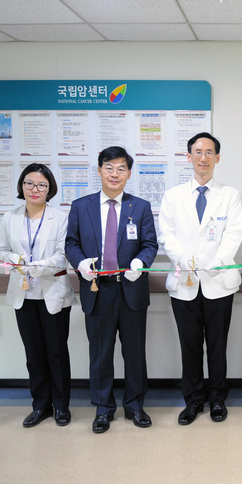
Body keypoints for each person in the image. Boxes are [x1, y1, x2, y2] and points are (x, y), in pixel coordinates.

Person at [66, 146, 158, 434]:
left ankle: (135, 406)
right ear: (99, 171)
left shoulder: (140, 207)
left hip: (130, 289)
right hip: (97, 290)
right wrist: (80, 263)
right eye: (109, 168)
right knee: (100, 354)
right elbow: (71, 243)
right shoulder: (81, 206)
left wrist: (139, 263)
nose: (114, 174)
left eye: (121, 169)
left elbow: (150, 244)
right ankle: (103, 409)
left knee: (134, 353)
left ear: (129, 174)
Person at [158, 132, 242, 425]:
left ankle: (218, 398)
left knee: (218, 346)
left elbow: (234, 234)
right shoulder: (173, 196)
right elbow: (166, 235)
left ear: (217, 158)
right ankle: (193, 400)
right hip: (184, 283)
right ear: (189, 157)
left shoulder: (230, 195)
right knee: (190, 346)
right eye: (198, 152)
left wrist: (219, 261)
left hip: (219, 283)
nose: (203, 157)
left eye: (209, 152)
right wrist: (182, 258)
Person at [0, 163, 76, 428]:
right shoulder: (10, 217)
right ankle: (41, 406)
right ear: (22, 186)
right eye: (29, 183)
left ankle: (61, 406)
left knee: (56, 353)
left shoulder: (61, 218)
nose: (35, 189)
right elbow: (1, 250)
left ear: (49, 189)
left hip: (53, 294)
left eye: (42, 185)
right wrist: (17, 259)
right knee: (34, 354)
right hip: (23, 295)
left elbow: (64, 254)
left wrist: (39, 266)